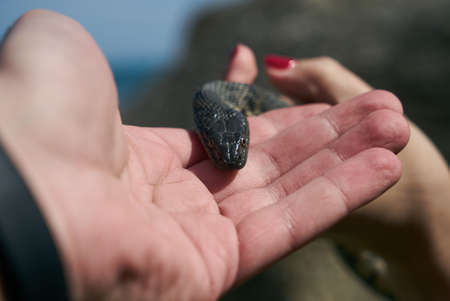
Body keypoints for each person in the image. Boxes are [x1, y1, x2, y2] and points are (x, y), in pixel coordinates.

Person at [0, 9, 439, 301]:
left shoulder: (220, 108)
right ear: (207, 132)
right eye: (221, 147)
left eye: (241, 147)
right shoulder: (218, 109)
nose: (232, 158)